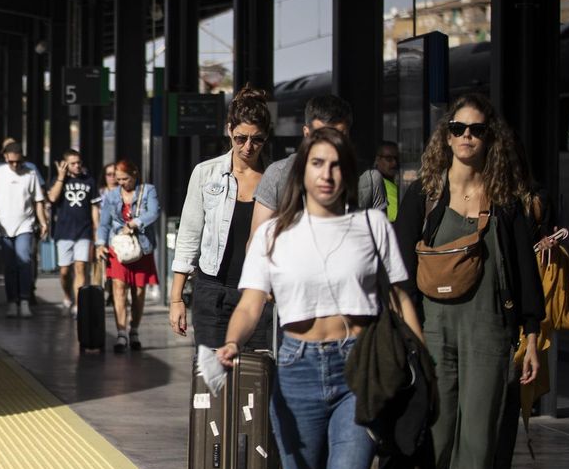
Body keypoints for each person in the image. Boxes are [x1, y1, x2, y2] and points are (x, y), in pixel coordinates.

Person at [217, 128, 423, 469]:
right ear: (301, 172)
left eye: (336, 165)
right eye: (318, 164)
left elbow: (401, 297)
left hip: (359, 371)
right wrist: (234, 340)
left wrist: (421, 363)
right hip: (298, 373)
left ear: (348, 173)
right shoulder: (274, 236)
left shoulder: (372, 225)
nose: (327, 174)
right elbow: (251, 303)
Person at [394, 94, 543, 469]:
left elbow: (524, 267)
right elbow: (397, 263)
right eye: (458, 128)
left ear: (490, 138)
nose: (466, 138)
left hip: (490, 328)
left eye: (477, 130)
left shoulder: (505, 198)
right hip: (434, 326)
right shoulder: (426, 192)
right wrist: (405, 328)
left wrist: (532, 335)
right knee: (436, 426)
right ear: (447, 134)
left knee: (479, 431)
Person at [169, 85, 272, 352]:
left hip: (258, 295)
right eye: (240, 138)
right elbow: (189, 235)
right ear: (229, 130)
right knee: (211, 379)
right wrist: (176, 298)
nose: (248, 147)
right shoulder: (206, 174)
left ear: (266, 137)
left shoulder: (277, 178)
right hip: (212, 292)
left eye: (257, 139)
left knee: (256, 382)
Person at [251, 94, 387, 235]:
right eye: (322, 137)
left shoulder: (369, 180)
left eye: (339, 136)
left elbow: (380, 245)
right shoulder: (278, 175)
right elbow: (257, 244)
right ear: (306, 133)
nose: (331, 144)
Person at [95, 158, 161, 351]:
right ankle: (121, 333)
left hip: (142, 247)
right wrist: (100, 244)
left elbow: (154, 212)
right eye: (118, 179)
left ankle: (134, 330)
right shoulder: (111, 195)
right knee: (118, 289)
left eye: (124, 178)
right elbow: (104, 223)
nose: (121, 183)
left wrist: (135, 223)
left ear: (134, 175)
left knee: (139, 292)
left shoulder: (148, 190)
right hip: (118, 247)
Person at [0, 140, 49, 318]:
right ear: (5, 158)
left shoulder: (30, 174)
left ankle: (24, 300)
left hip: (25, 224)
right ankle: (12, 301)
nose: (14, 165)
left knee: (24, 260)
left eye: (17, 161)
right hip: (2, 227)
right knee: (9, 266)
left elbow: (38, 200)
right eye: (11, 161)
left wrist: (43, 222)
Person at [46, 149, 100, 316]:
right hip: (63, 232)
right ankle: (67, 295)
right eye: (73, 163)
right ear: (65, 164)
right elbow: (53, 198)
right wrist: (61, 177)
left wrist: (96, 231)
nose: (77, 166)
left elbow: (94, 208)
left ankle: (79, 304)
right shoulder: (58, 180)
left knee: (80, 267)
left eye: (79, 163)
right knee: (64, 271)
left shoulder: (89, 181)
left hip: (84, 231)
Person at [374, 141, 401, 222]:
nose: (394, 163)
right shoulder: (377, 185)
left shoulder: (396, 185)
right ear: (378, 160)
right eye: (389, 159)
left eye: (396, 159)